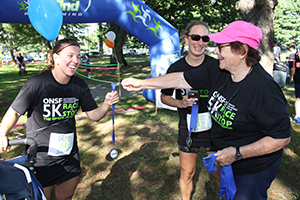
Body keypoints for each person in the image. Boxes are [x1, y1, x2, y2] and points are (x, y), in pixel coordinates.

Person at [121, 20, 291, 200]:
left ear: (241, 51)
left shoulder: (265, 90)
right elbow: (180, 79)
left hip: (252, 170)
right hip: (229, 159)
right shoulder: (218, 70)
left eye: (220, 46)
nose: (215, 51)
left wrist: (238, 153)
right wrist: (142, 84)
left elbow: (281, 138)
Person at [0, 38, 119, 200]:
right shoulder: (36, 83)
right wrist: (3, 133)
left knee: (66, 196)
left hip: (69, 156)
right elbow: (14, 112)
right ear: (56, 57)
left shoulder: (79, 85)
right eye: (70, 55)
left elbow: (93, 115)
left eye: (78, 56)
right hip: (41, 158)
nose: (76, 60)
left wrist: (106, 104)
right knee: (42, 198)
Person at [160, 20, 220, 200]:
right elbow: (164, 96)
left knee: (218, 173)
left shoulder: (216, 66)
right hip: (188, 129)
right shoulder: (176, 68)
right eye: (195, 37)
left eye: (205, 38)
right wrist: (180, 103)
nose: (200, 42)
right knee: (187, 173)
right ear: (186, 39)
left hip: (215, 129)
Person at [293, 51, 300, 124]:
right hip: (299, 79)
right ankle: (298, 116)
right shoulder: (298, 56)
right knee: (299, 97)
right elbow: (298, 65)